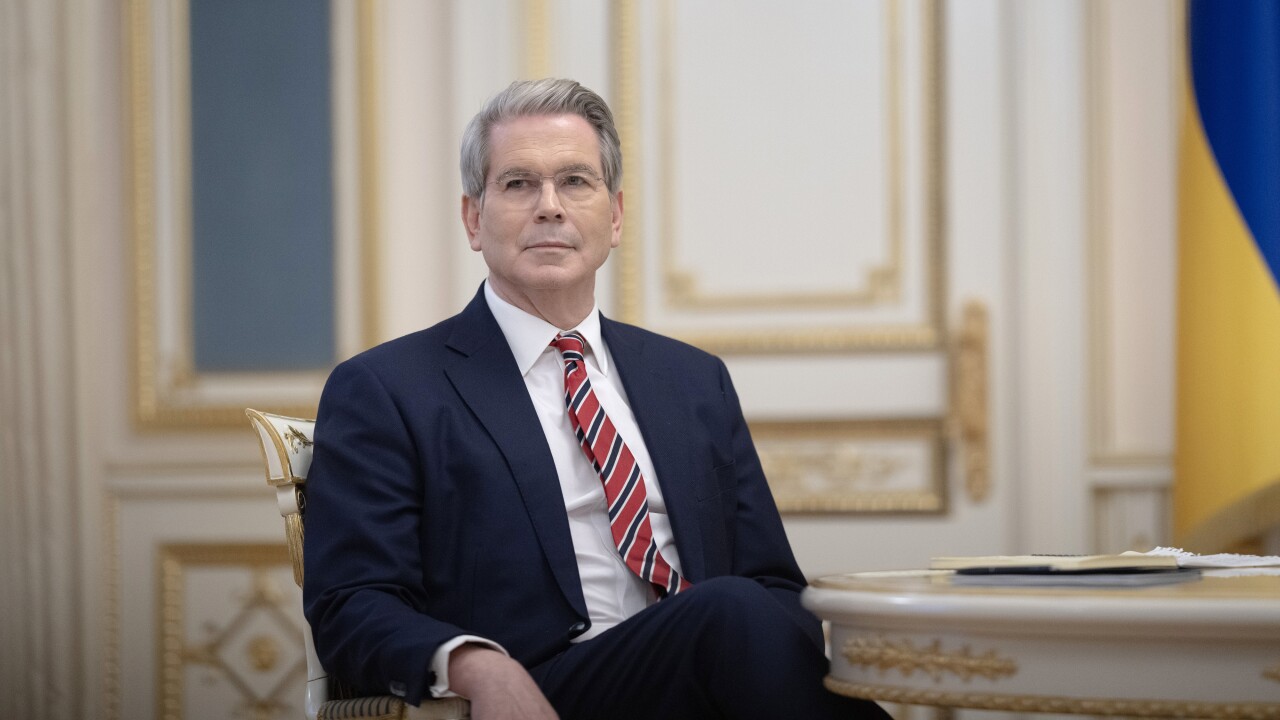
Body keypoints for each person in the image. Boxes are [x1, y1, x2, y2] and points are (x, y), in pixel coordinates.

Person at [303, 78, 888, 720]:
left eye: (575, 181)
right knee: (730, 612)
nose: (549, 206)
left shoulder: (693, 380)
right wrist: (478, 666)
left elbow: (775, 584)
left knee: (743, 615)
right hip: (547, 690)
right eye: (518, 183)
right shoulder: (389, 388)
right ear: (474, 219)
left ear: (614, 218)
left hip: (716, 676)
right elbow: (351, 604)